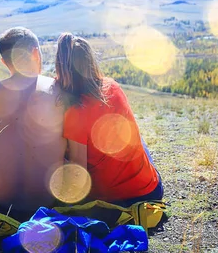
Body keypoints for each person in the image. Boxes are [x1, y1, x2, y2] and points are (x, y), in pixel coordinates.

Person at [55, 32, 163, 213]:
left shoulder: (74, 112)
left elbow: (78, 174)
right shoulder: (112, 86)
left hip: (111, 204)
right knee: (140, 142)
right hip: (149, 192)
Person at [0, 27, 66, 222]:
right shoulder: (60, 91)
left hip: (1, 202)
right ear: (36, 53)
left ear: (4, 61)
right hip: (50, 200)